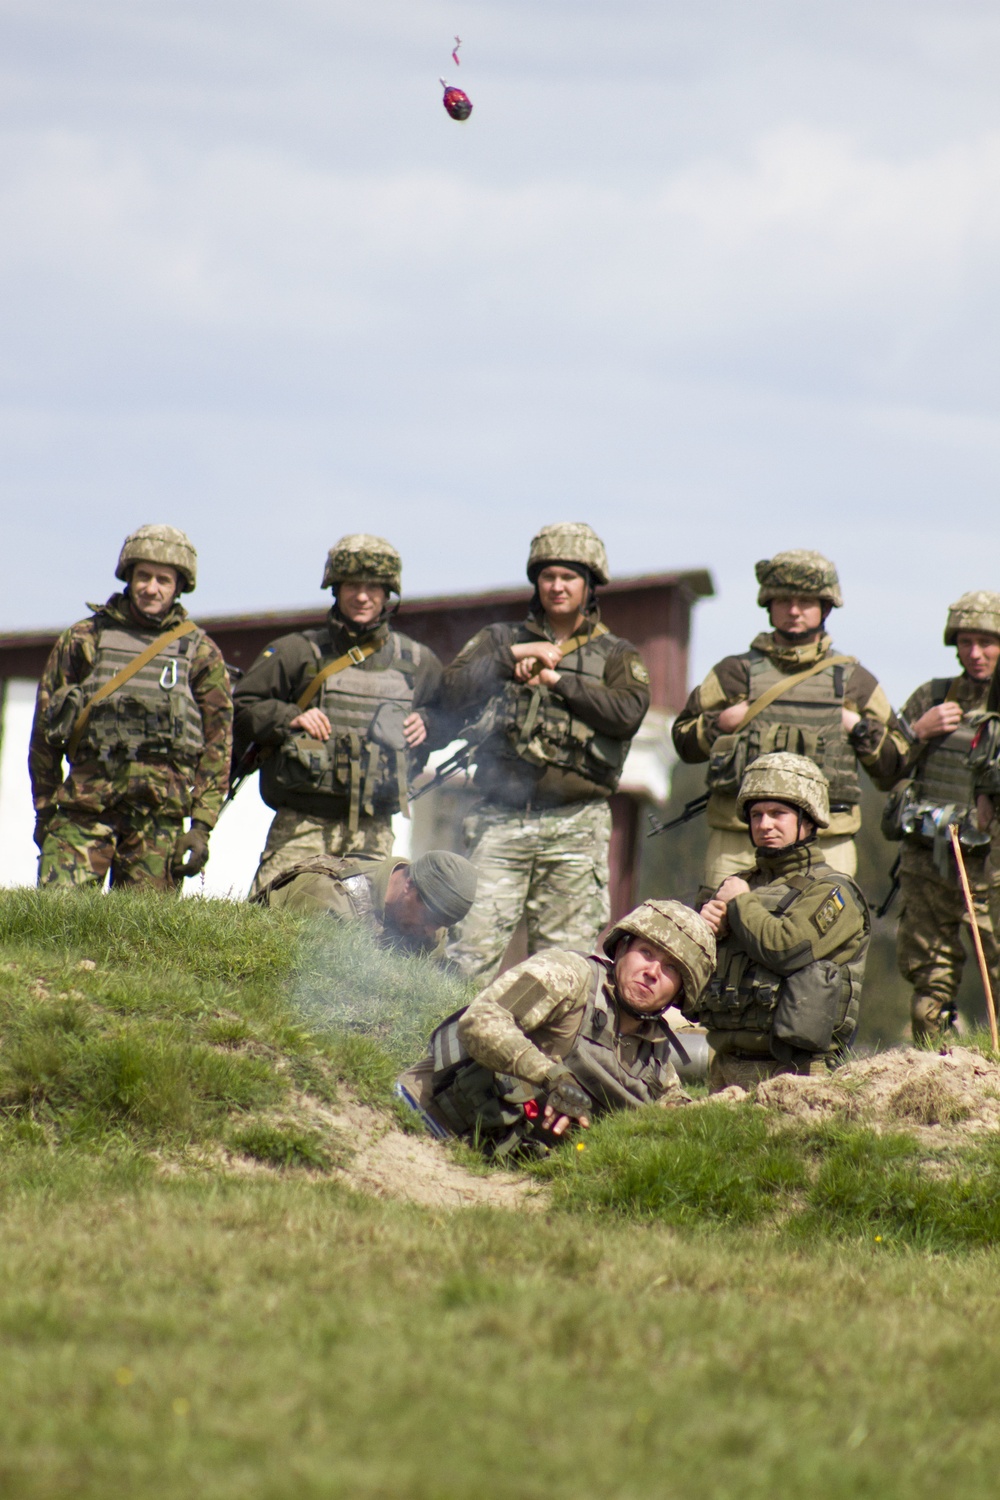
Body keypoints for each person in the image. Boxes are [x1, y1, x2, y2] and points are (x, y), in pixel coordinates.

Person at [438, 522, 651, 979]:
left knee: (565, 968)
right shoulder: (500, 640)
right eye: (548, 575)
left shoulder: (615, 654)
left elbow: (628, 712)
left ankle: (549, 1053)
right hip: (499, 817)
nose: (557, 586)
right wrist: (509, 660)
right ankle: (447, 1049)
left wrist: (559, 681)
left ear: (589, 584)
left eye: (569, 577)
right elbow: (450, 692)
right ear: (536, 581)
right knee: (467, 955)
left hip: (575, 823)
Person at [395, 899, 716, 1155]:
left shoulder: (655, 1057)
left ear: (681, 991)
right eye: (646, 953)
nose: (652, 972)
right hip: (420, 1120)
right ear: (621, 949)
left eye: (671, 968)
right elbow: (482, 1021)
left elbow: (676, 1121)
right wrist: (550, 1076)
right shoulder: (569, 976)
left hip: (490, 1170)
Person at [672, 550, 906, 890]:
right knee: (721, 933)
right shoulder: (733, 673)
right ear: (769, 605)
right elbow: (683, 741)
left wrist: (859, 728)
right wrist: (719, 724)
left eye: (806, 601)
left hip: (827, 842)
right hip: (740, 840)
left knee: (827, 938)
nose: (794, 611)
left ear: (825, 607)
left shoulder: (854, 681)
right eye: (784, 600)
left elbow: (895, 764)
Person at [231, 535, 444, 895]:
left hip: (374, 827)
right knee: (270, 918)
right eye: (352, 586)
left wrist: (430, 722)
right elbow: (242, 707)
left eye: (373, 587)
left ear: (388, 593)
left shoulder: (419, 662)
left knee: (366, 934)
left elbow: (452, 712)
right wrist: (289, 717)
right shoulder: (297, 651)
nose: (362, 596)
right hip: (302, 824)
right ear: (336, 589)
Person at [28, 525, 232, 891]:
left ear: (179, 585)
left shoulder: (200, 653)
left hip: (158, 822)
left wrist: (201, 827)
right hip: (81, 814)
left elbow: (218, 746)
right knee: (57, 928)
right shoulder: (85, 639)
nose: (151, 588)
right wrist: (44, 808)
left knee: (140, 941)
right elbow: (45, 732)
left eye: (163, 580)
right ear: (129, 577)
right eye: (143, 576)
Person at [694, 752, 870, 1092]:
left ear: (808, 820)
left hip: (798, 1078)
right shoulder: (738, 887)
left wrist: (740, 905)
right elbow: (685, 984)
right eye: (756, 815)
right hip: (724, 1069)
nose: (764, 825)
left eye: (778, 814)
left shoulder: (834, 892)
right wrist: (703, 931)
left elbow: (787, 947)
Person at [887, 592, 1000, 1042]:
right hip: (932, 865)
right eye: (966, 641)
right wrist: (918, 731)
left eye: (987, 642)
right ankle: (939, 1075)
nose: (975, 653)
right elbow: (884, 769)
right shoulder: (931, 698)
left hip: (993, 871)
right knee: (930, 984)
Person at [255, 848, 477, 959]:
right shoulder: (333, 897)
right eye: (432, 918)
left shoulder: (426, 923)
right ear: (409, 886)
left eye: (442, 924)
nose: (432, 931)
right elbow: (311, 977)